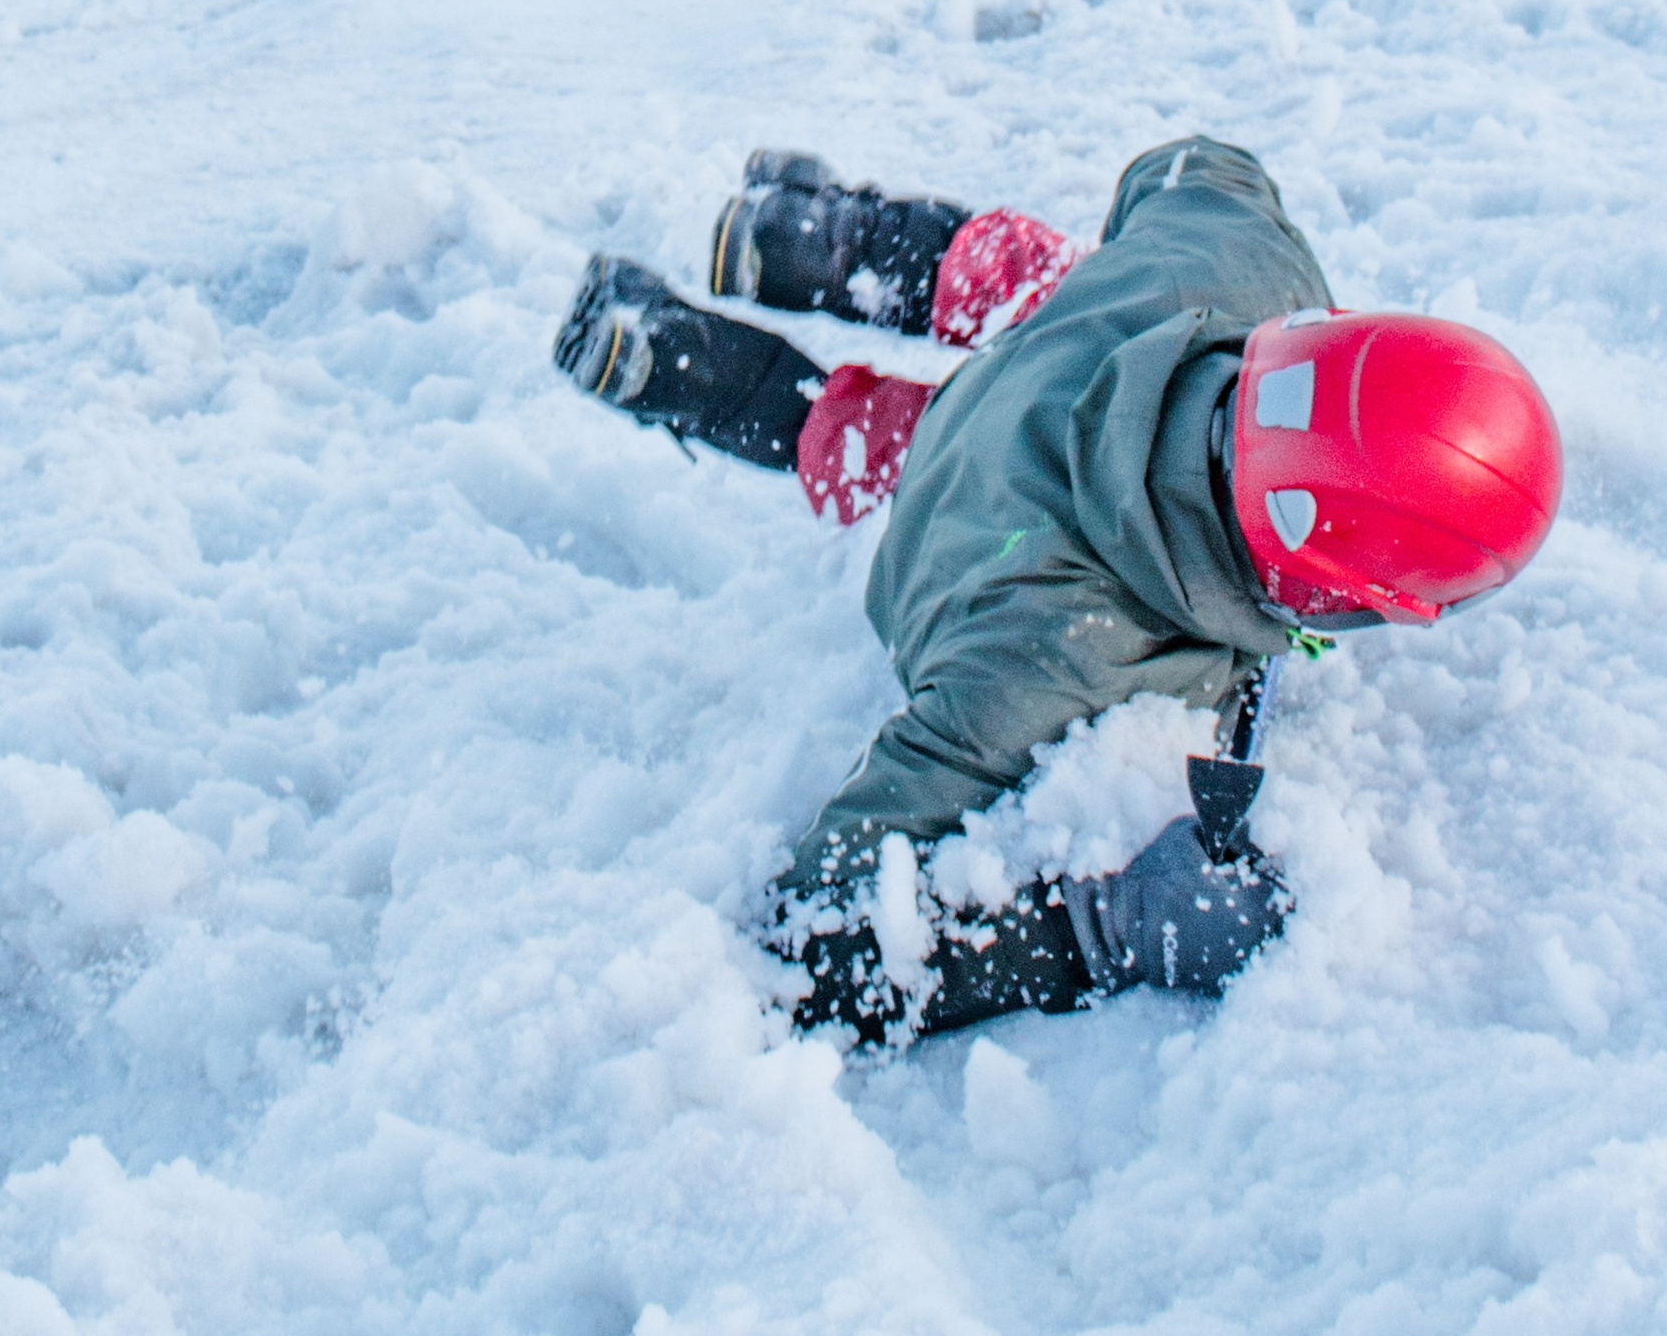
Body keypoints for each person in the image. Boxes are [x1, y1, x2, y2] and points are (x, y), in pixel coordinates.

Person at [553, 134, 1562, 1042]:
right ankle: (704, 372)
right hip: (955, 537)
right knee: (887, 455)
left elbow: (1193, 168)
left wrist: (1141, 275)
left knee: (1044, 281)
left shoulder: (1246, 262)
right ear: (1328, 596)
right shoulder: (1053, 662)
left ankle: (828, 239)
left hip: (1069, 362)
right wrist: (1102, 931)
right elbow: (811, 941)